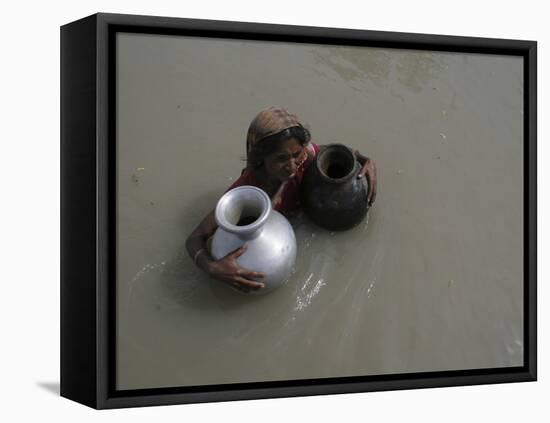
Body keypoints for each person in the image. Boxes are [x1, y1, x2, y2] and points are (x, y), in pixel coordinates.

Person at [185, 106, 377, 292]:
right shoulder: (248, 191)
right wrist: (212, 268)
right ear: (261, 158)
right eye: (281, 158)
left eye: (296, 154)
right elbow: (195, 238)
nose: (292, 166)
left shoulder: (306, 156)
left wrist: (363, 160)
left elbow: (334, 152)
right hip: (271, 239)